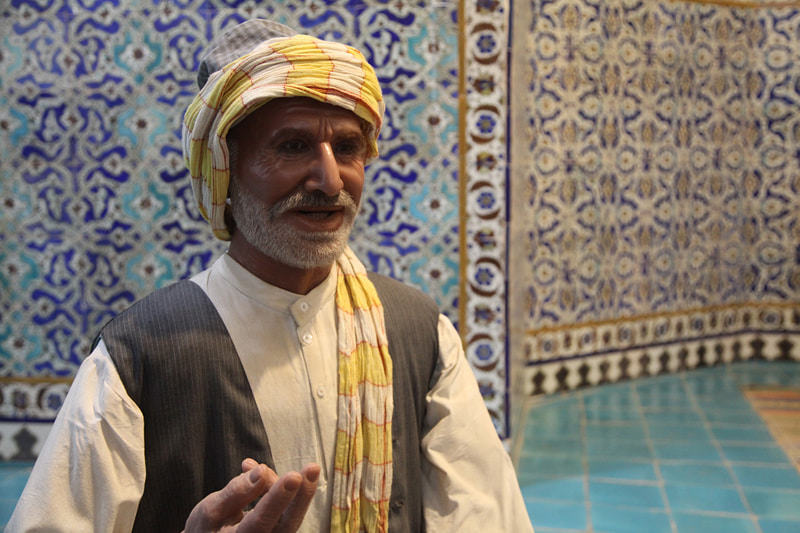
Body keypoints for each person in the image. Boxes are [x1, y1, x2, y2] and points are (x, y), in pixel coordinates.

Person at [8, 20, 533, 533]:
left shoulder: (420, 333)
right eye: (292, 146)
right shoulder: (137, 356)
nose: (330, 181)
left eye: (347, 148)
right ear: (225, 172)